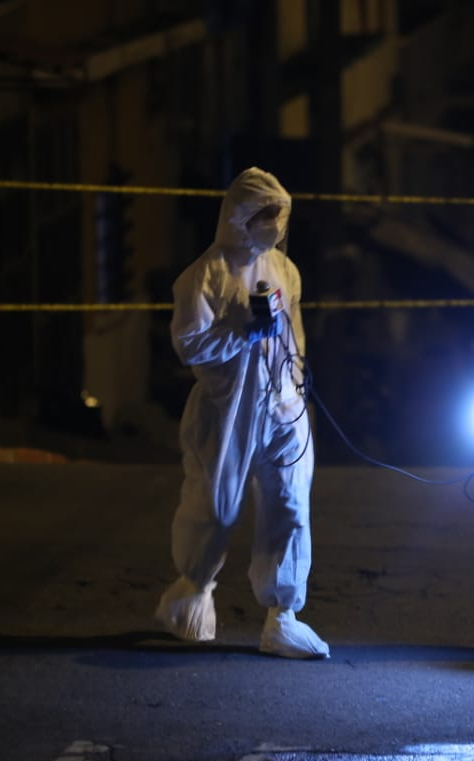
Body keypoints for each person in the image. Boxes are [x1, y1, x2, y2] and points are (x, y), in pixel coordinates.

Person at [154, 166, 329, 659]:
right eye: (265, 214)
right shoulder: (203, 276)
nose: (274, 224)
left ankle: (282, 617)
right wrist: (239, 331)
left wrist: (295, 386)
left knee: (290, 507)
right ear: (240, 216)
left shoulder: (284, 270)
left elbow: (293, 334)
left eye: (279, 215)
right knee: (215, 506)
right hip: (227, 408)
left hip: (282, 405)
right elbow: (190, 346)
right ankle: (191, 594)